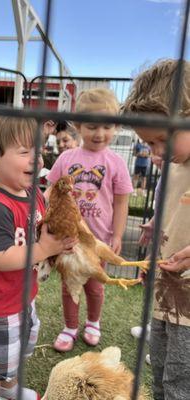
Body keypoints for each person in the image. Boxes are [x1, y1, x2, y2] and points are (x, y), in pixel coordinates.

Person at [0, 115, 76, 399]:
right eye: (25, 152)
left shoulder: (32, 194)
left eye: (38, 151)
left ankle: (9, 390)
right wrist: (44, 249)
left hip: (23, 298)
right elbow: (0, 258)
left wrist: (59, 238)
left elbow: (42, 224)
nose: (37, 159)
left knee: (18, 351)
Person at [45, 88, 133, 352]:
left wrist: (116, 235)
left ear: (116, 126)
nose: (99, 133)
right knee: (69, 286)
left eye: (107, 126)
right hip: (68, 239)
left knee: (95, 286)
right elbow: (49, 191)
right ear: (78, 126)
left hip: (98, 241)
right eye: (92, 126)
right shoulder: (66, 158)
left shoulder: (116, 162)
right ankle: (70, 327)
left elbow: (121, 202)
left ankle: (93, 322)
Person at [123, 59, 190, 400]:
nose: (156, 153)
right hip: (168, 290)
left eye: (162, 140)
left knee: (181, 377)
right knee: (161, 366)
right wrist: (154, 221)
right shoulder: (176, 166)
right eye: (149, 145)